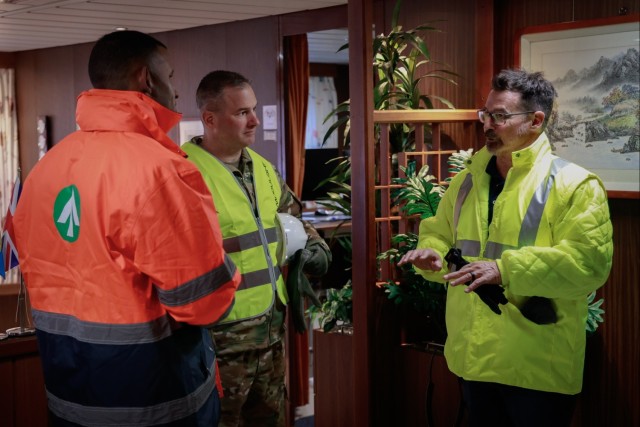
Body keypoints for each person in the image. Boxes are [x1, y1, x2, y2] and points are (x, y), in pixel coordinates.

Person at [13, 31, 241, 427]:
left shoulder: (45, 169)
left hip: (69, 397)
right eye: (170, 76)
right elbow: (203, 301)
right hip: (153, 402)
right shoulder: (160, 171)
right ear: (146, 79)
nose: (176, 91)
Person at [398, 69, 613, 426]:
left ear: (535, 121)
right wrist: (432, 255)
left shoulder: (575, 185)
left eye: (500, 116)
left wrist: (504, 270)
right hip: (475, 359)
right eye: (486, 114)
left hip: (538, 367)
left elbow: (587, 265)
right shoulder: (467, 180)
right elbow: (439, 232)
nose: (488, 124)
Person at [181, 70, 331, 427]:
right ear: (210, 119)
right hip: (219, 341)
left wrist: (315, 246)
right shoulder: (183, 174)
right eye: (242, 113)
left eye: (254, 109)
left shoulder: (263, 169)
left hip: (270, 333)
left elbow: (292, 218)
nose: (254, 121)